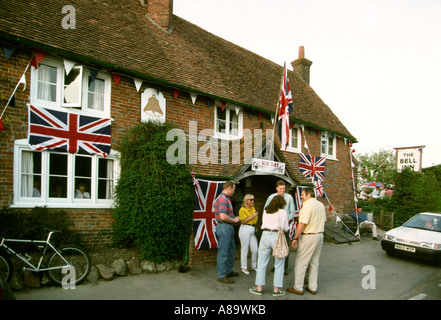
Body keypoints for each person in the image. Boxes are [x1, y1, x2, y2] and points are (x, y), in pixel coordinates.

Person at [287, 187, 326, 295]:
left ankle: (298, 287)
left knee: (301, 262)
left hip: (309, 235)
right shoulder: (321, 205)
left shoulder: (307, 205)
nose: (301, 197)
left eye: (302, 194)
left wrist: (295, 237)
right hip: (319, 234)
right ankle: (313, 287)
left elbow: (303, 223)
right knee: (314, 262)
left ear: (309, 195)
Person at [249, 195, 289, 297]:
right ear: (282, 204)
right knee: (279, 264)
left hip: (265, 235)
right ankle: (276, 290)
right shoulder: (283, 212)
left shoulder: (266, 211)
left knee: (261, 262)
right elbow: (285, 228)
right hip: (277, 236)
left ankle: (259, 288)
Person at [264, 180, 294, 275]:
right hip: (274, 226)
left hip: (284, 227)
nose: (282, 190)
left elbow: (291, 212)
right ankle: (276, 266)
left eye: (284, 188)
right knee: (275, 246)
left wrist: (286, 222)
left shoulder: (289, 198)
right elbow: (266, 209)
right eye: (280, 188)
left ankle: (284, 267)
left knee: (284, 246)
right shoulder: (271, 197)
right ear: (277, 188)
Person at [214, 180, 240, 284]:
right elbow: (223, 216)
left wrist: (234, 218)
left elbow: (226, 215)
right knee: (223, 252)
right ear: (229, 189)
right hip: (224, 228)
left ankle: (228, 271)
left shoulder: (226, 199)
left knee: (230, 250)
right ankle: (221, 275)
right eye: (233, 189)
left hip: (227, 228)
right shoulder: (223, 199)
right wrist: (233, 220)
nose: (234, 192)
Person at [238, 194, 258, 275]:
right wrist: (254, 216)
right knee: (244, 249)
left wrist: (254, 216)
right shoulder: (242, 209)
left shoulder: (253, 209)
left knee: (255, 249)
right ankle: (244, 267)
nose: (252, 201)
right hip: (245, 229)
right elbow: (242, 221)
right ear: (246, 201)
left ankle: (254, 265)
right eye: (251, 200)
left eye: (253, 199)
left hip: (252, 229)